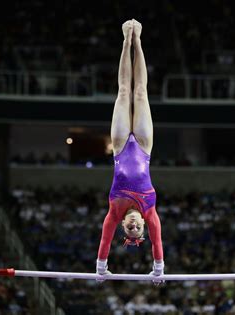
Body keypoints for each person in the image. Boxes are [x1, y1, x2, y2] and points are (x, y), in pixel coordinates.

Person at [95, 19, 164, 284]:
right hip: (144, 148)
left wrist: (101, 267)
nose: (134, 225)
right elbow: (157, 242)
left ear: (123, 226)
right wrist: (158, 269)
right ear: (144, 226)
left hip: (121, 147)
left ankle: (126, 41)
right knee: (141, 93)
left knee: (124, 93)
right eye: (138, 229)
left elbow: (104, 239)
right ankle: (138, 40)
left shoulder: (114, 211)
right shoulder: (149, 211)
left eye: (129, 229)